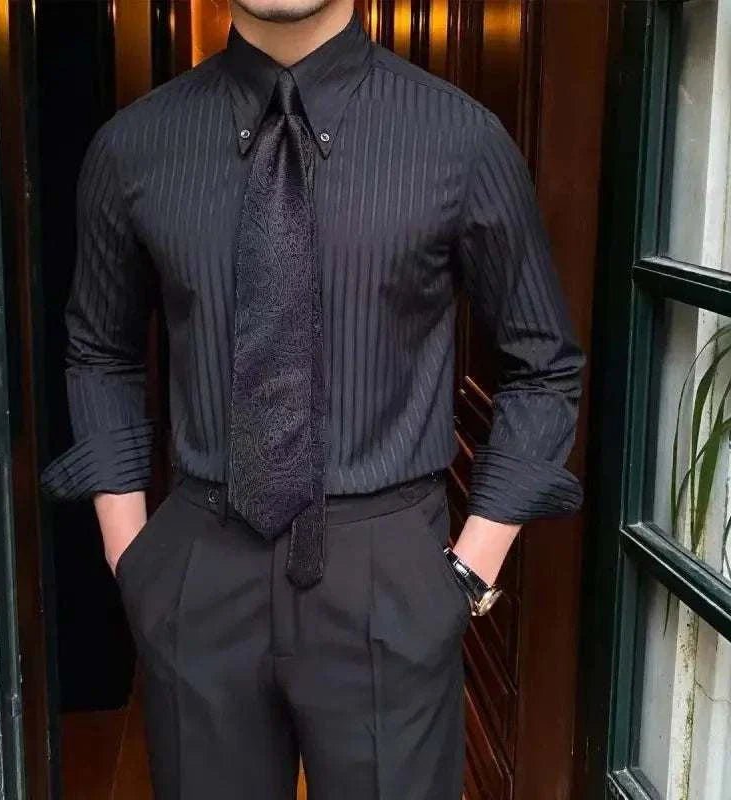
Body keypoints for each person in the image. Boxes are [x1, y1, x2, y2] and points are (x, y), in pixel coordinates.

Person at [40, 1, 585, 797]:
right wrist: (134, 559)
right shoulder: (133, 146)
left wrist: (469, 571)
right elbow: (99, 349)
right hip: (200, 564)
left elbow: (544, 363)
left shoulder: (461, 140)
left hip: (387, 572)